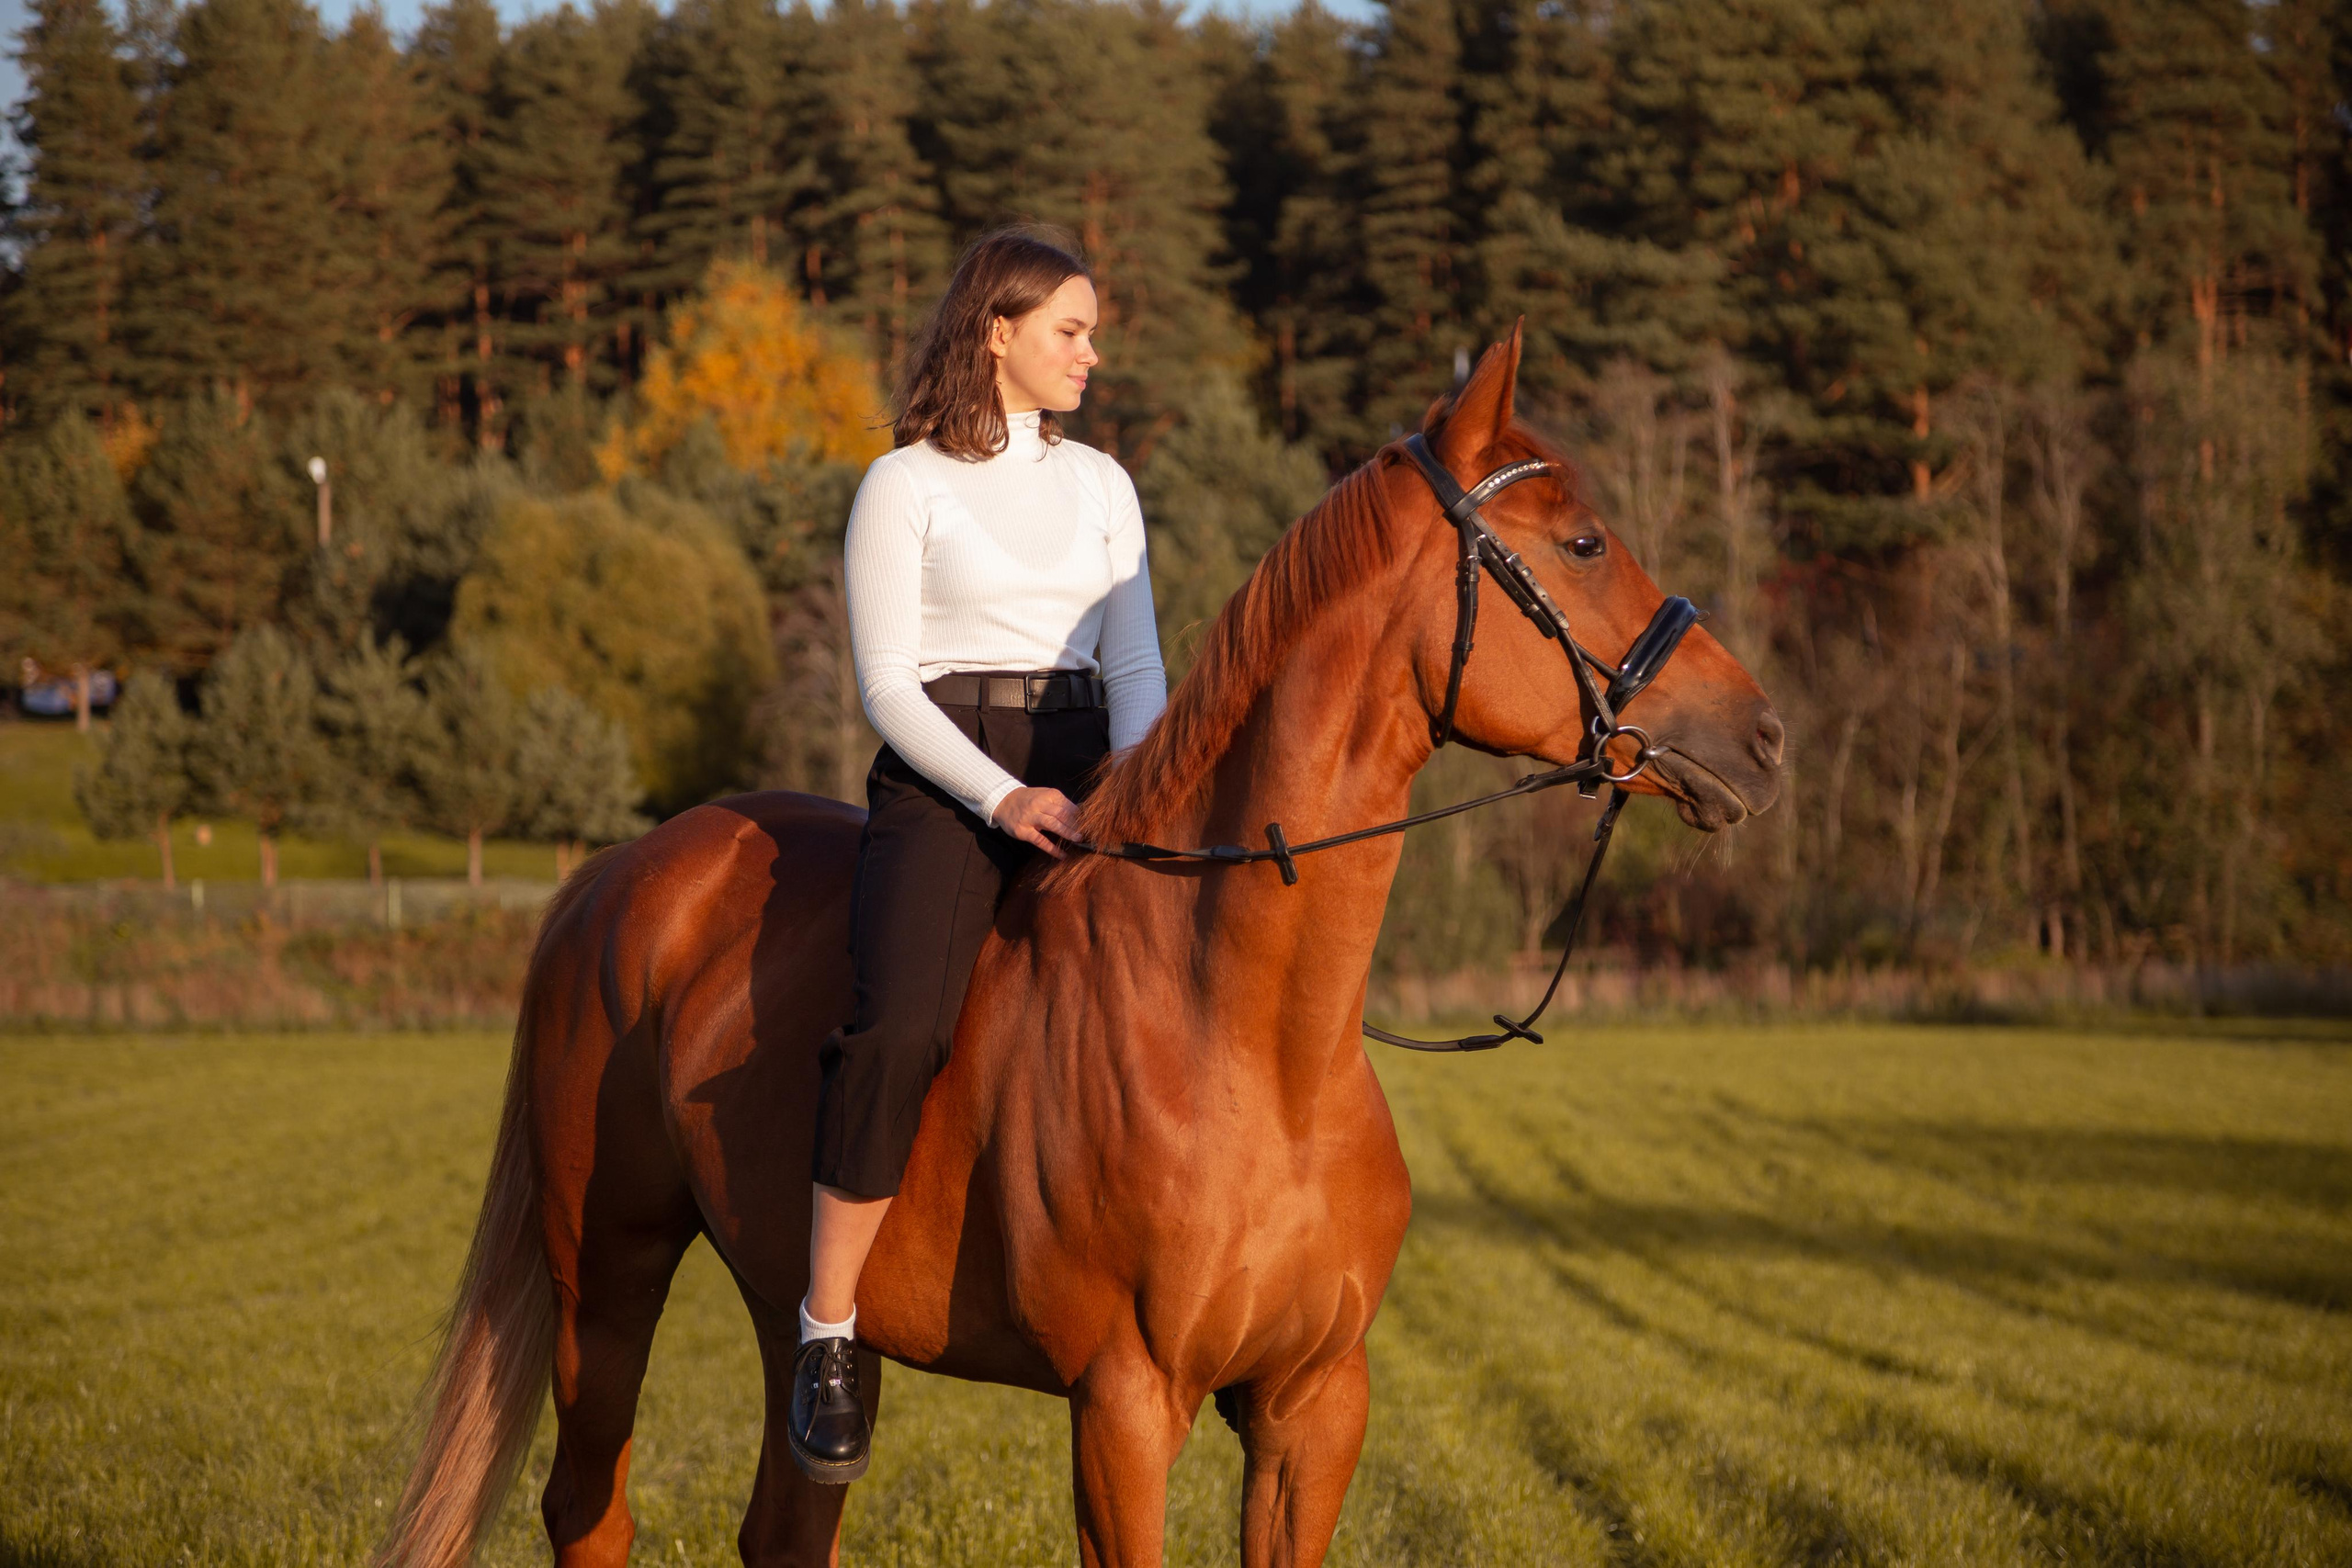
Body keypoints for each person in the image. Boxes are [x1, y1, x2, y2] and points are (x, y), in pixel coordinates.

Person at [788, 230, 1169, 1483]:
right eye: (1072, 329)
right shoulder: (903, 486)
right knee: (899, 1028)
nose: (1092, 354)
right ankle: (829, 1329)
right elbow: (888, 688)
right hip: (953, 778)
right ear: (995, 331)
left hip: (1098, 766)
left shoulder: (1105, 485)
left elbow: (1137, 671)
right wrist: (1004, 802)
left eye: (1094, 331)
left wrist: (1142, 793)